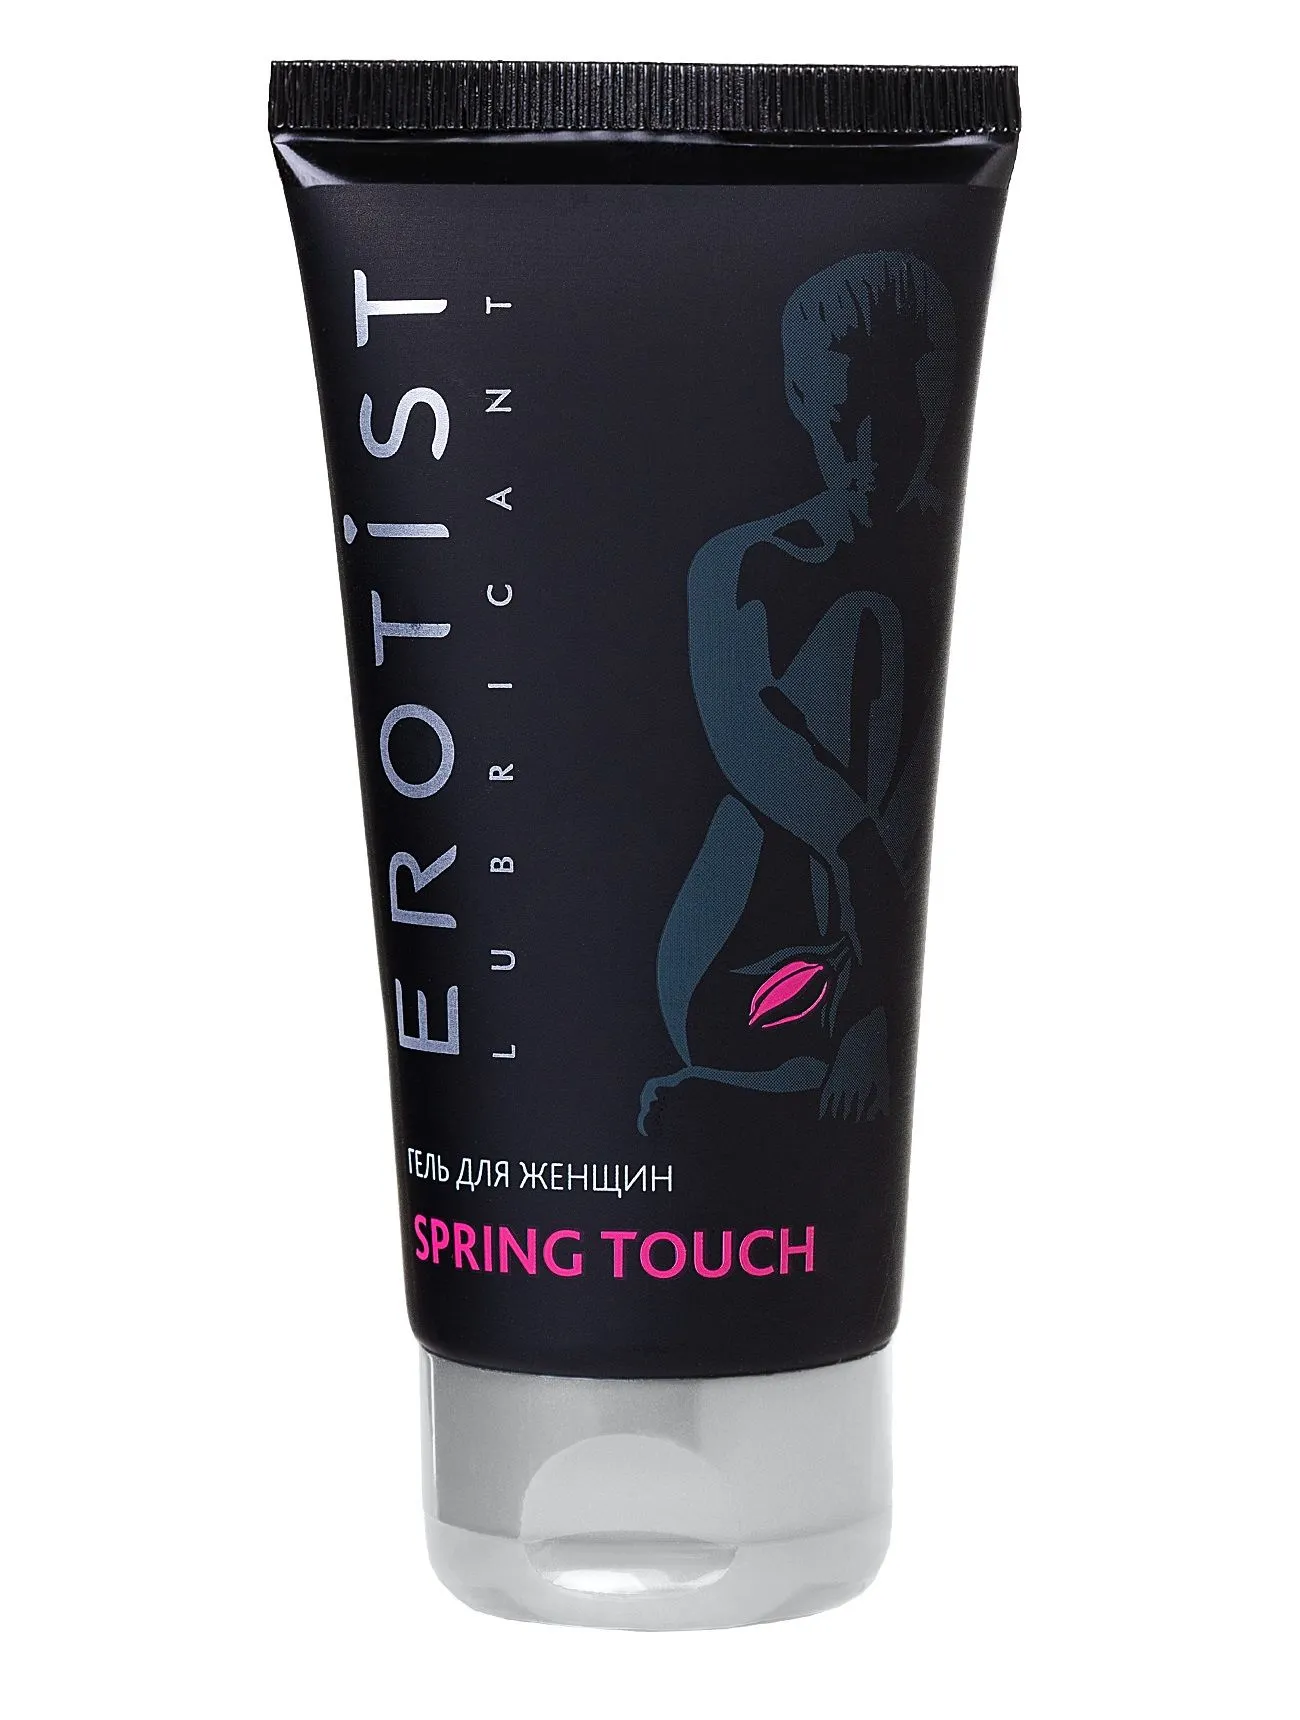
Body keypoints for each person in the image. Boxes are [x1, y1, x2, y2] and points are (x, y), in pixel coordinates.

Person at [638, 251, 957, 1137]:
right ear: (802, 399)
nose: (873, 455)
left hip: (881, 938)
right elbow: (750, 734)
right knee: (867, 623)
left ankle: (777, 1088)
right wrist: (860, 882)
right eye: (847, 419)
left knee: (878, 622)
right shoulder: (745, 565)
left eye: (899, 419)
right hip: (741, 946)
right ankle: (788, 1075)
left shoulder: (942, 549)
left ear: (934, 403)